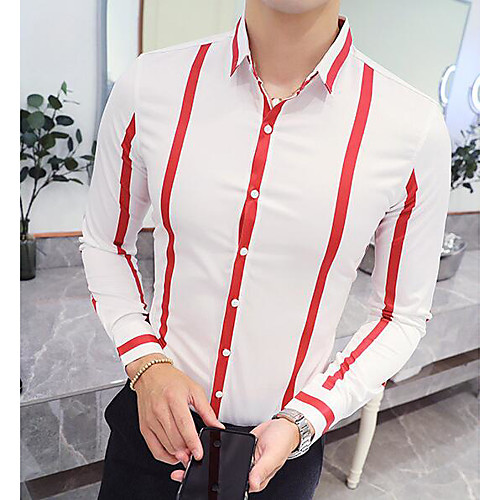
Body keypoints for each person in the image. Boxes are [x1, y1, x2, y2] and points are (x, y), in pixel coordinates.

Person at [79, 0, 451, 498]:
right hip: (153, 426)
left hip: (282, 455)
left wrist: (306, 418)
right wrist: (146, 361)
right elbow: (106, 242)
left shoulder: (413, 128)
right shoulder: (150, 84)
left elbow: (399, 314)